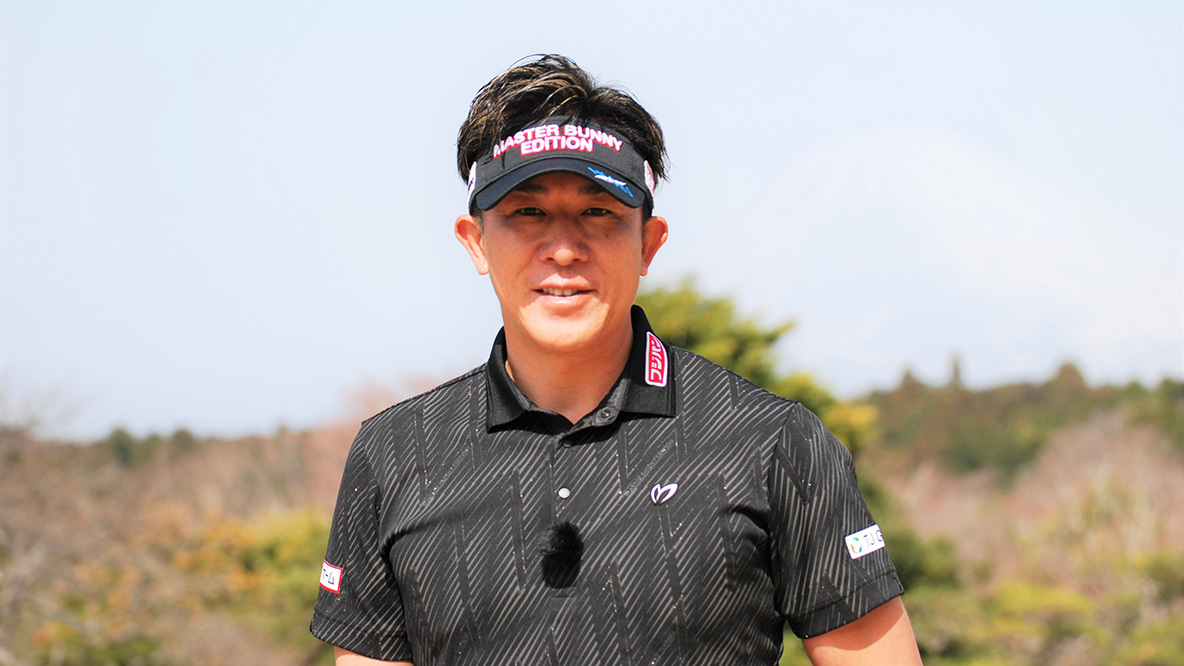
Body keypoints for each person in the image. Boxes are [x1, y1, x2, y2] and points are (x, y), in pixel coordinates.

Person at [311, 54, 922, 665]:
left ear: (648, 243)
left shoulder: (773, 440)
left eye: (598, 211)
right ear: (476, 242)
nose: (564, 248)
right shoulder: (395, 454)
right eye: (527, 211)